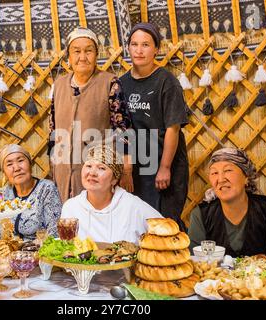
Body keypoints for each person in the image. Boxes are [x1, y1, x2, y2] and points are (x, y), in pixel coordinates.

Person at [49, 27, 132, 203]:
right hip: (63, 171)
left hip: (98, 172)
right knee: (68, 222)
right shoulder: (58, 85)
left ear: (96, 54)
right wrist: (53, 168)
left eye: (89, 51)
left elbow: (122, 129)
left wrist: (126, 170)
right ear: (68, 57)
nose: (82, 57)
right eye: (76, 51)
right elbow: (53, 129)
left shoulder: (109, 82)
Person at [120, 22, 189, 231]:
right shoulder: (121, 83)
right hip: (137, 166)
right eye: (134, 44)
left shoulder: (166, 81)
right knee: (137, 222)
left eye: (146, 45)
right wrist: (126, 167)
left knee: (165, 222)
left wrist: (165, 167)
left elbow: (173, 128)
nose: (139, 50)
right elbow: (122, 130)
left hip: (164, 162)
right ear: (128, 48)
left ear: (156, 49)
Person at [188, 147, 266, 258]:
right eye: (214, 173)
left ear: (246, 177)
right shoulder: (201, 215)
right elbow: (195, 263)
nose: (221, 179)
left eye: (228, 170)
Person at [61, 144, 162, 244]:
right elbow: (65, 250)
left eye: (101, 168)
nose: (92, 173)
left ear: (114, 179)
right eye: (88, 166)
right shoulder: (71, 207)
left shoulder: (132, 205)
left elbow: (164, 230)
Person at [0, 144, 62, 241]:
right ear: (4, 172)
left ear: (30, 164)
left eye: (20, 161)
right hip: (4, 254)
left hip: (38, 253)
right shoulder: (0, 196)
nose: (16, 168)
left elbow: (54, 233)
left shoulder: (46, 189)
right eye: (9, 164)